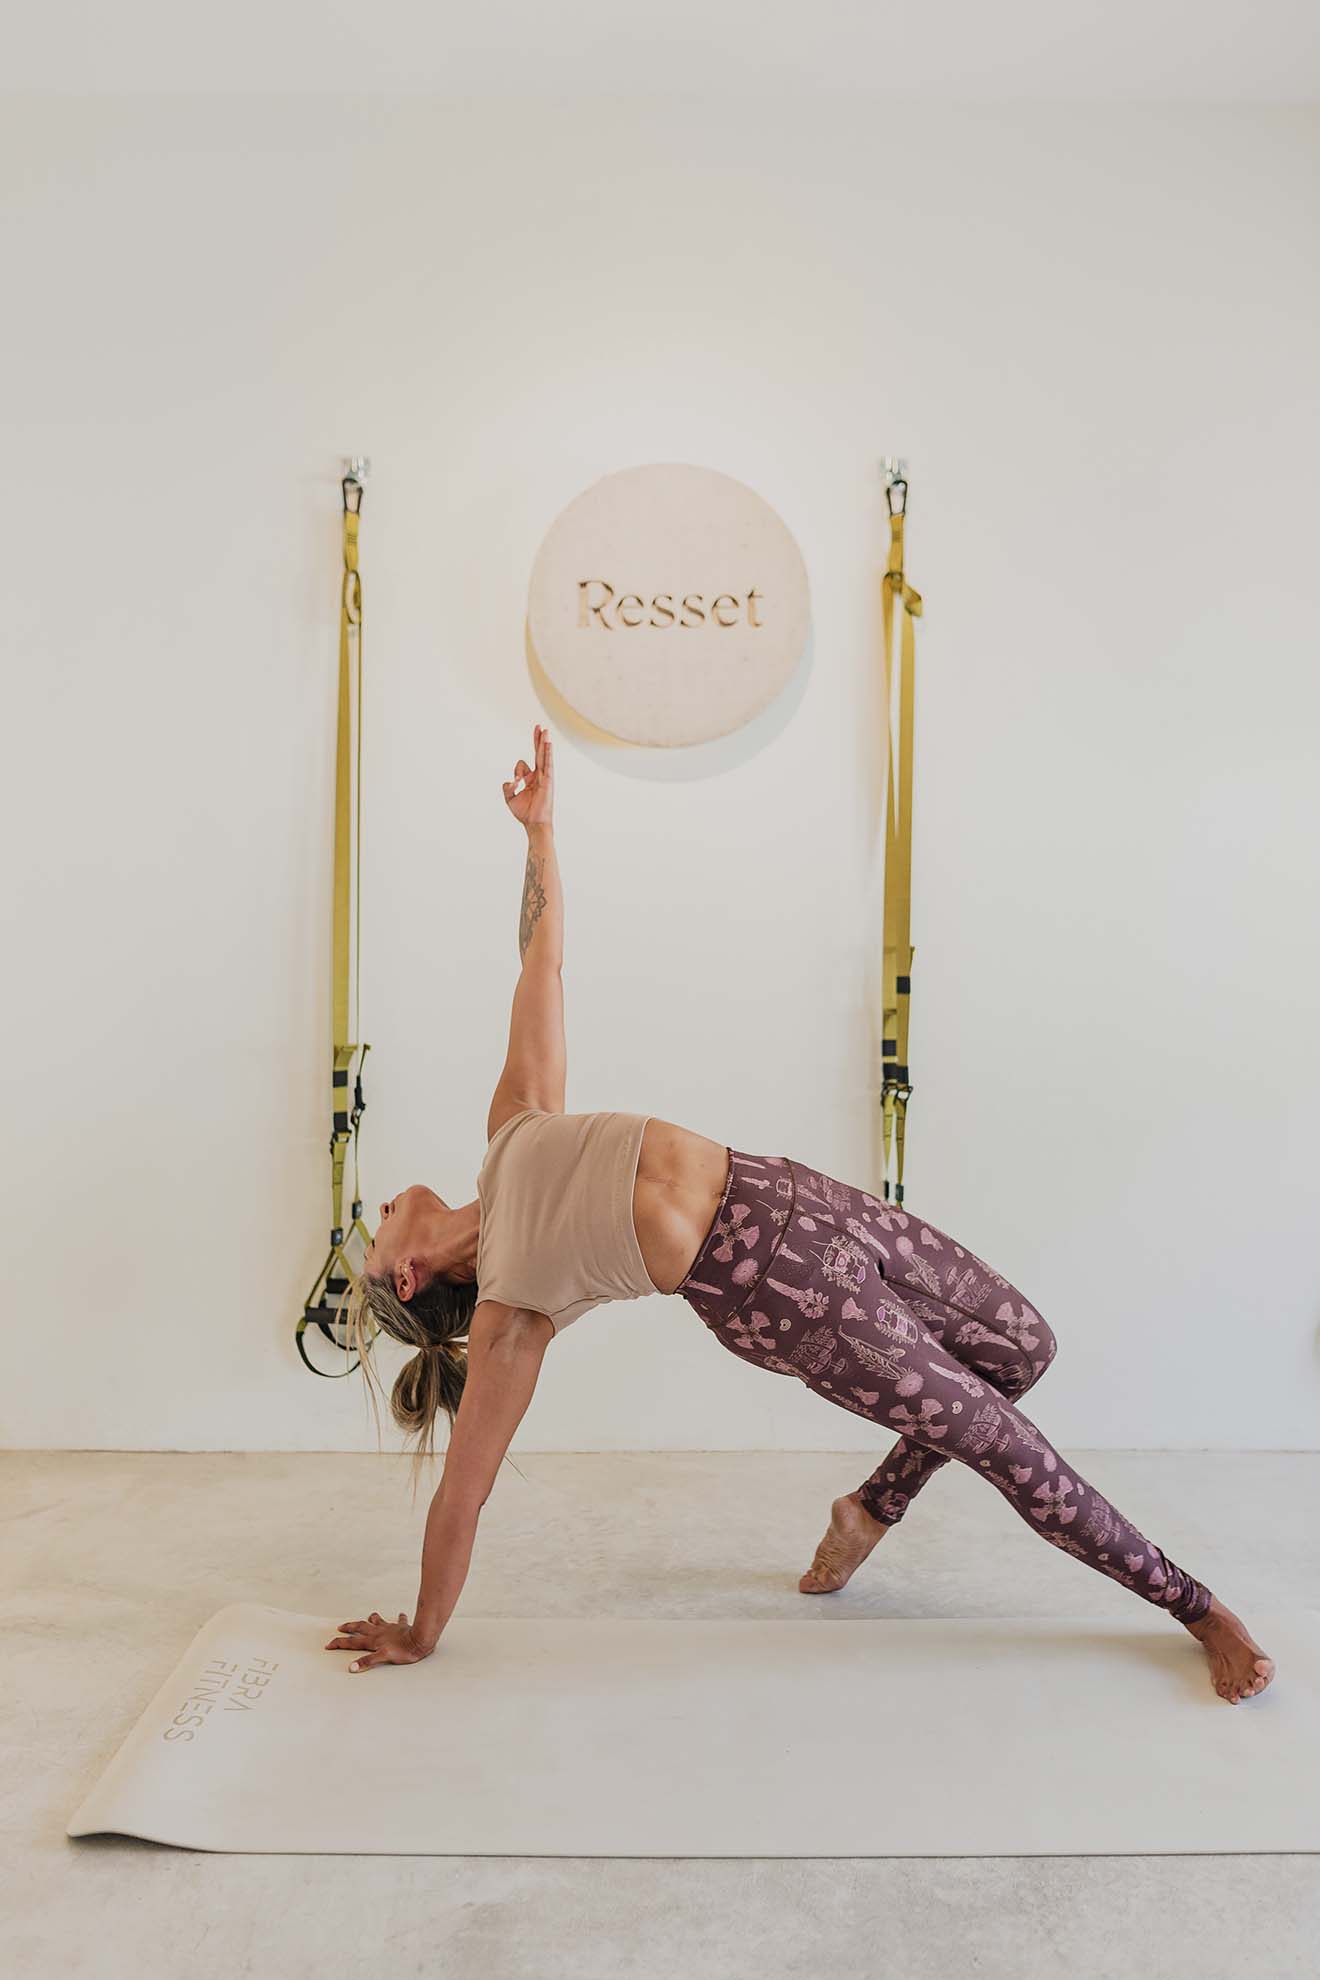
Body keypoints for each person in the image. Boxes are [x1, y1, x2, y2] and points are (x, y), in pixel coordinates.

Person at [329, 722, 1274, 1706]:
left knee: (1023, 1348)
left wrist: (538, 835)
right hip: (781, 1295)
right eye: (372, 1236)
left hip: (802, 1196)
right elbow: (464, 1493)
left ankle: (871, 1507)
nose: (380, 1208)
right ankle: (1197, 1607)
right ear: (410, 1275)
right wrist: (422, 1632)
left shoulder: (514, 1126)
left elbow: (541, 963)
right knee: (1003, 1442)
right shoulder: (511, 1315)